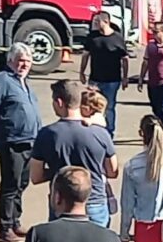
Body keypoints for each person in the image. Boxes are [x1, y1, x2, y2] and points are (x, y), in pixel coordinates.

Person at [34, 80, 119, 228]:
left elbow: (36, 176)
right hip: (94, 201)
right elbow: (113, 171)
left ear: (59, 102)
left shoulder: (46, 134)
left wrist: (57, 169)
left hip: (61, 202)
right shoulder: (100, 133)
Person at [0, 46, 43, 242]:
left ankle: (15, 221)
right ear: (10, 61)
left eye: (27, 60)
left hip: (30, 141)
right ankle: (5, 227)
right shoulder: (2, 80)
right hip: (11, 141)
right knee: (10, 184)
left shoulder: (25, 82)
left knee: (22, 183)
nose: (24, 64)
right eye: (20, 60)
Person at [81, 12, 130, 138]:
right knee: (91, 105)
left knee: (109, 107)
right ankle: (92, 130)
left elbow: (125, 59)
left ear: (106, 22)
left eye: (97, 22)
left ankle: (109, 132)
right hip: (95, 79)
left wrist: (125, 78)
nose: (95, 24)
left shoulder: (117, 38)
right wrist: (82, 72)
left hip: (112, 80)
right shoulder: (92, 37)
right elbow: (85, 55)